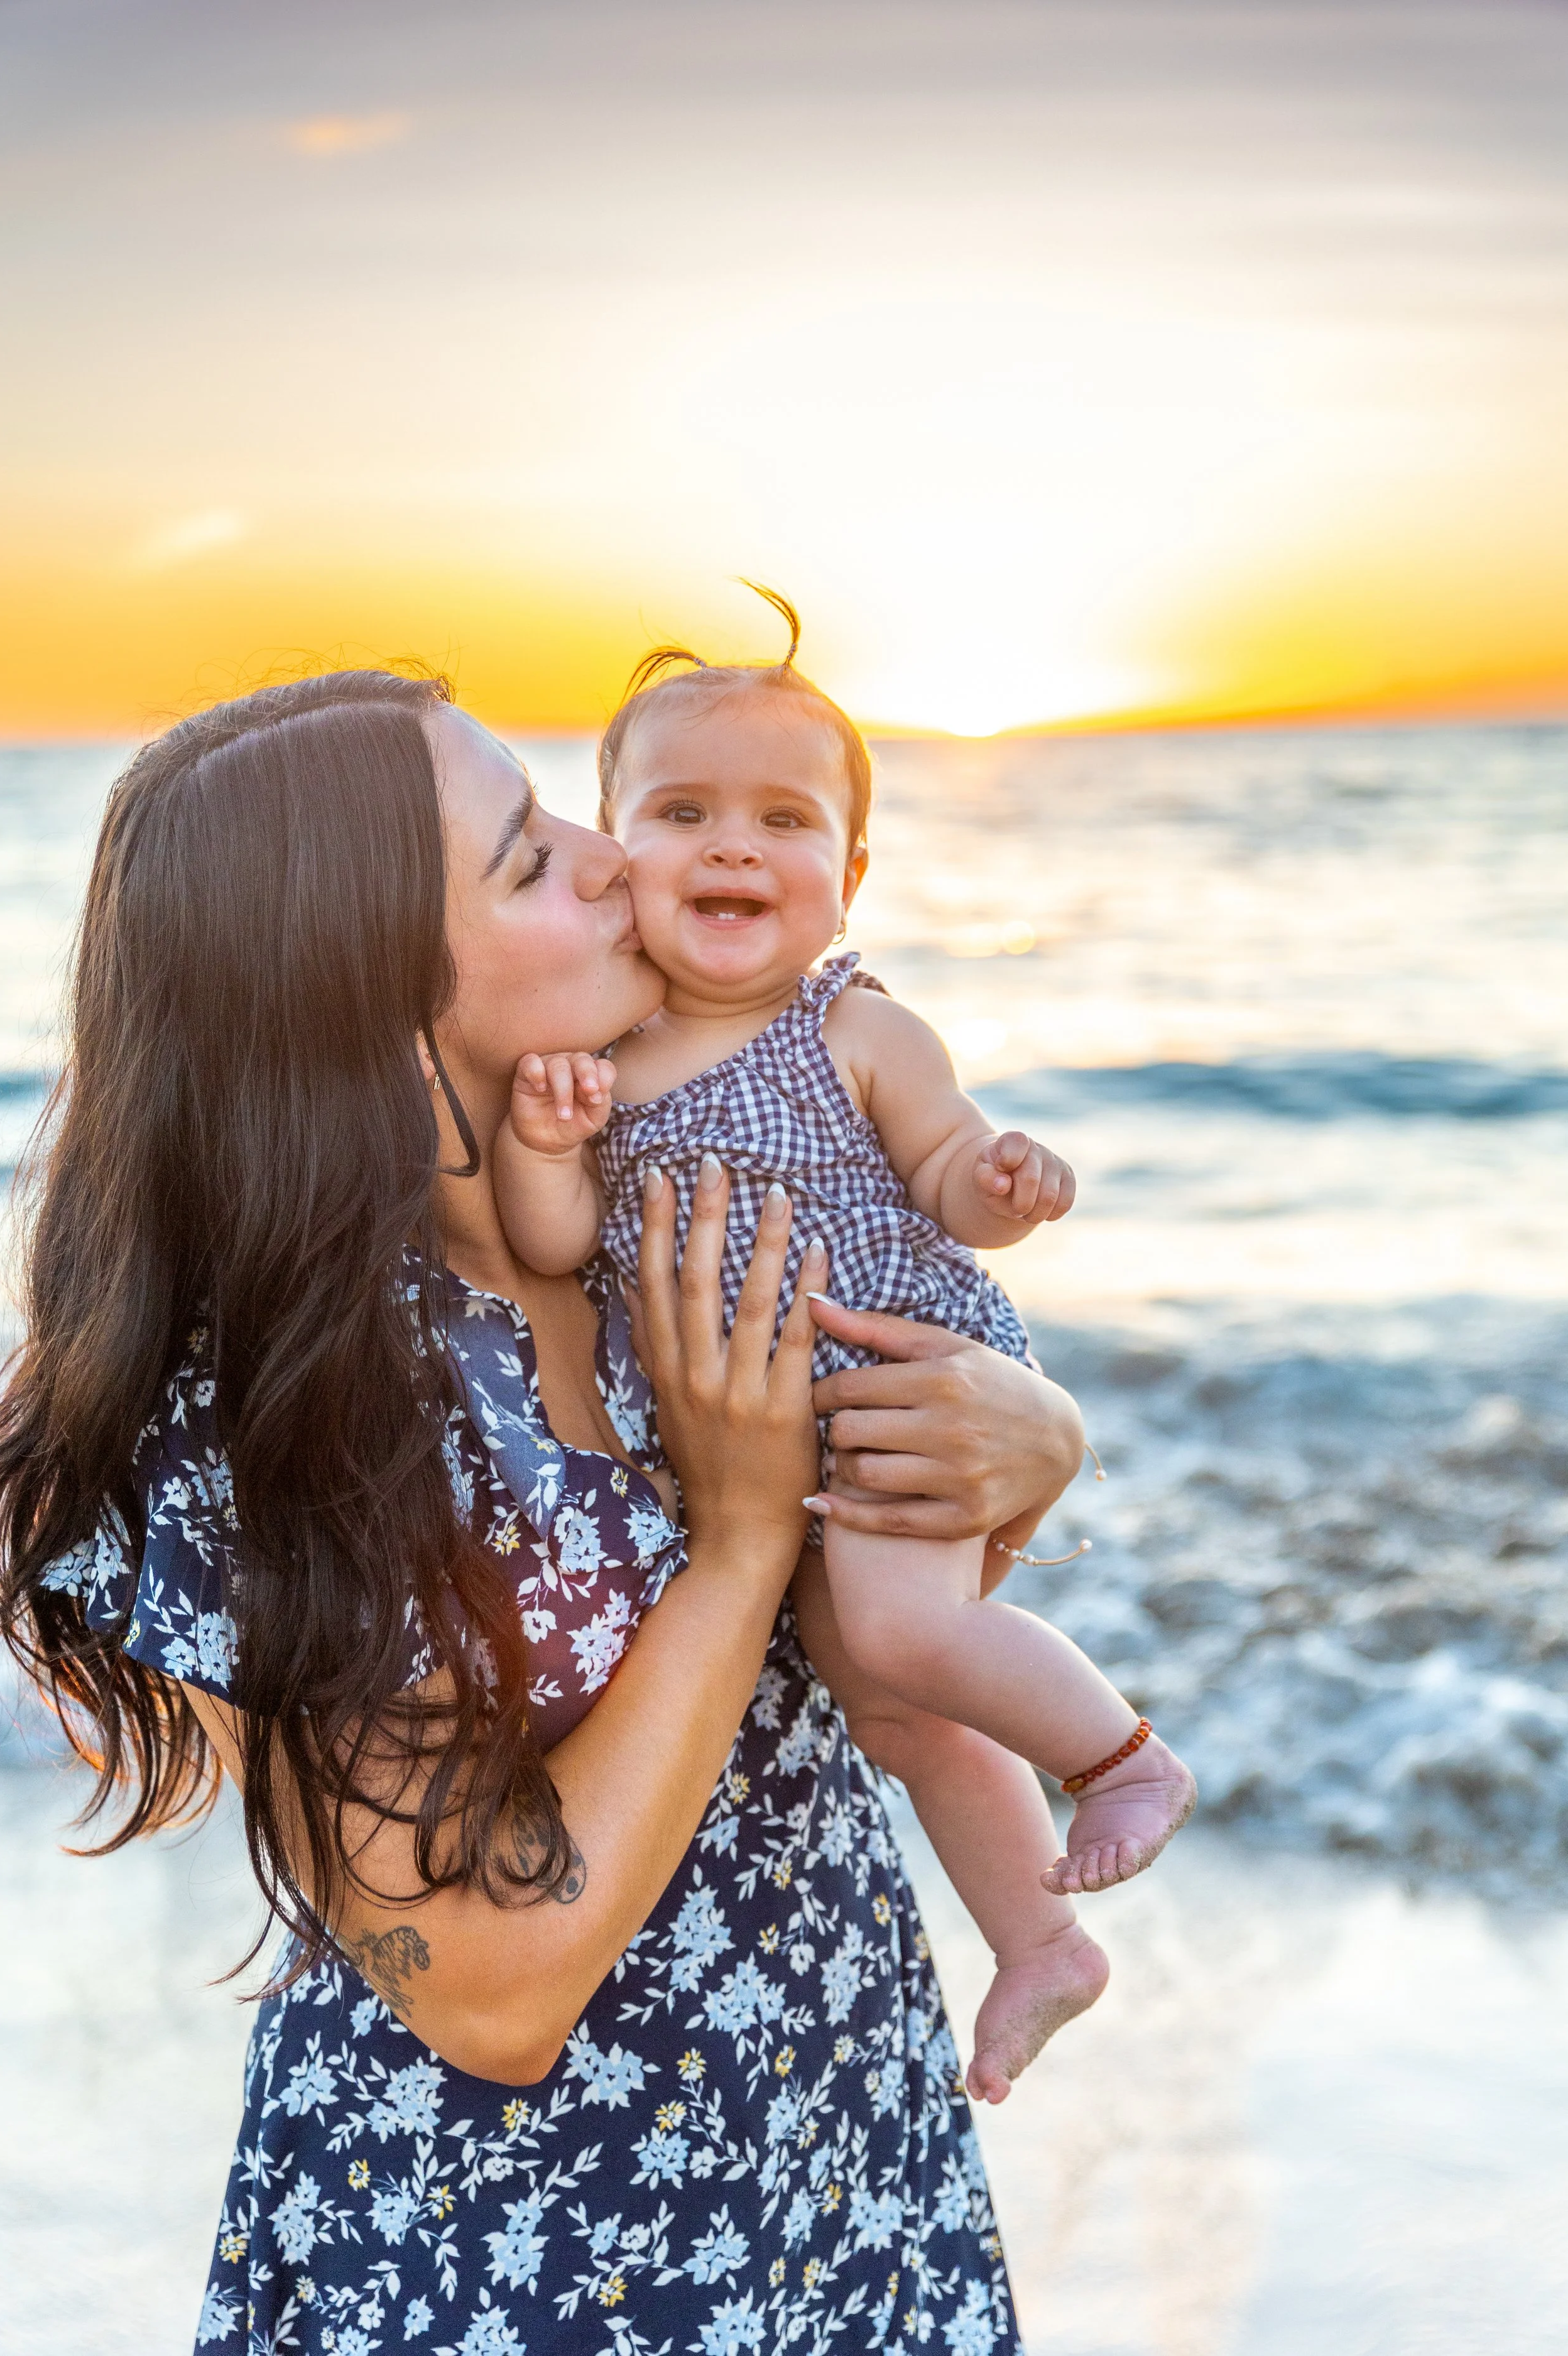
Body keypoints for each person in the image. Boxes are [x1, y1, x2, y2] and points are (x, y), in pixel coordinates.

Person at [0, 668, 1094, 2354]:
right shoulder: (288, 1392)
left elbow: (851, 1652)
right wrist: (731, 1540)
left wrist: (1018, 1448)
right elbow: (483, 1981)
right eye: (524, 858)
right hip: (519, 2248)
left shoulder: (655, 1211)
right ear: (360, 994)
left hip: (835, 2151)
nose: (608, 859)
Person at [491, 594, 1197, 2102]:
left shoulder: (853, 1027)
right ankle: (1036, 1937)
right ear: (613, 850)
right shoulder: (599, 1063)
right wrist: (546, 1147)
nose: (735, 847)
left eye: (783, 819)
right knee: (887, 1706)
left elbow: (945, 1169)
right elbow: (555, 1248)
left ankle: (1120, 1756)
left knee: (892, 1644)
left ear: (850, 872)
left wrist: (999, 1184)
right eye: (684, 812)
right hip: (781, 1433)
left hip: (900, 1383)